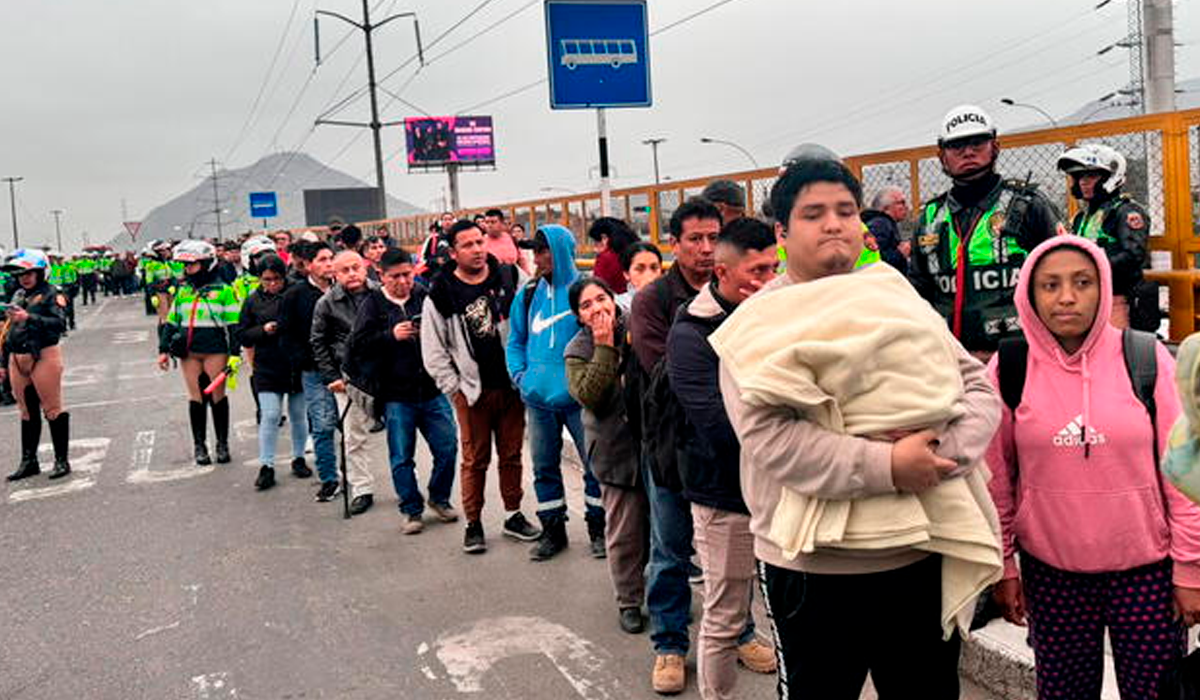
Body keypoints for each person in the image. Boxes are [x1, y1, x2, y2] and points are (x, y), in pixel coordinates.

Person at [716, 156, 1002, 699]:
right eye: (814, 213)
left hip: (919, 550)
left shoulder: (894, 295)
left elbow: (978, 388)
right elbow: (773, 440)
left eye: (846, 211)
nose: (833, 224)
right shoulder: (755, 326)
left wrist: (939, 455)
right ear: (781, 232)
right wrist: (889, 466)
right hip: (813, 570)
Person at [986, 235, 1200, 698]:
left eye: (1082, 282)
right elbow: (995, 479)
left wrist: (1189, 568)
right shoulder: (1011, 366)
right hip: (1051, 574)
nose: (1066, 297)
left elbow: (1183, 475)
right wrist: (1004, 563)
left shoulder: (1146, 358)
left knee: (1157, 693)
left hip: (1147, 575)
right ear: (1029, 293)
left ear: (1103, 288)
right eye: (1050, 285)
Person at [667, 218, 780, 699]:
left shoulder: (781, 313)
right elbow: (720, 427)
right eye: (755, 272)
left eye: (774, 268)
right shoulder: (691, 333)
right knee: (726, 614)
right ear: (724, 270)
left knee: (793, 615)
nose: (766, 282)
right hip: (725, 495)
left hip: (781, 490)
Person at [628, 197, 721, 695]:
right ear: (675, 244)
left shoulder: (738, 289)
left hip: (724, 443)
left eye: (713, 238)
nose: (706, 250)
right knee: (669, 548)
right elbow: (673, 375)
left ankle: (739, 632)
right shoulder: (653, 301)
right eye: (695, 240)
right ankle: (669, 644)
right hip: (669, 443)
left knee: (730, 549)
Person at [422, 219, 540, 554]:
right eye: (467, 245)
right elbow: (434, 350)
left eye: (479, 241)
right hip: (472, 393)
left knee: (512, 454)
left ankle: (513, 514)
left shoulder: (510, 276)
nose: (477, 250)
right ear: (453, 251)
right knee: (475, 459)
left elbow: (534, 312)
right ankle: (473, 523)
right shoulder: (441, 293)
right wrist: (455, 388)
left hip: (512, 387)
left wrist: (527, 371)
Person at [909, 104, 1061, 357]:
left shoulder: (1029, 204)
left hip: (1020, 353)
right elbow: (918, 288)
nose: (968, 152)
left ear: (995, 147)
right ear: (942, 156)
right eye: (957, 145)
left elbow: (1061, 274)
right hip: (949, 355)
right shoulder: (929, 216)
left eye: (977, 143)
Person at [507, 226, 606, 561]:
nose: (538, 257)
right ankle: (553, 531)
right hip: (537, 401)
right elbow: (515, 339)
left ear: (561, 251)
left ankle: (599, 528)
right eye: (535, 251)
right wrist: (520, 376)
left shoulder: (584, 290)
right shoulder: (529, 292)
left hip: (580, 399)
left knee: (595, 466)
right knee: (544, 467)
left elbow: (603, 335)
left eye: (544, 250)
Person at [348, 248, 459, 534]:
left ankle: (439, 497)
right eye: (395, 276)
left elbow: (451, 330)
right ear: (381, 276)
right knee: (401, 457)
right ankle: (411, 510)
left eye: (407, 275)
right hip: (396, 396)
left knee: (447, 448)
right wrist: (390, 336)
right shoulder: (372, 304)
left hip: (433, 390)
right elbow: (357, 347)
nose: (402, 281)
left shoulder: (426, 296)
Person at [565, 277, 650, 633]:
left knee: (664, 531)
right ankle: (629, 600)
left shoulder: (638, 326)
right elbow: (590, 396)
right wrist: (603, 348)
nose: (597, 308)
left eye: (602, 298)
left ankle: (664, 596)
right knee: (625, 533)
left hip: (652, 444)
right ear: (579, 316)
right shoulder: (578, 349)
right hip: (614, 451)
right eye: (587, 305)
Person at [155, 240, 240, 466]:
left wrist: (234, 355)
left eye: (192, 265)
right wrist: (163, 350)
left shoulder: (225, 290)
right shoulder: (184, 290)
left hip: (215, 351)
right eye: (185, 266)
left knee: (217, 396)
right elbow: (172, 322)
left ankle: (222, 444)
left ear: (207, 263)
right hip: (188, 353)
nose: (187, 269)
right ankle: (199, 445)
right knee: (196, 398)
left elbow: (234, 326)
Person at [1057, 144, 1158, 332]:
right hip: (1086, 299)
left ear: (1110, 177)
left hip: (1118, 299)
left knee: (1115, 355)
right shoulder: (1081, 217)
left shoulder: (1126, 212)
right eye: (1079, 177)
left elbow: (1132, 255)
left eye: (1090, 176)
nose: (1083, 182)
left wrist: (1090, 266)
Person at [236, 254, 311, 490]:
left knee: (299, 414)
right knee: (269, 415)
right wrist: (263, 330)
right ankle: (266, 465)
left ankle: (298, 458)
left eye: (276, 279)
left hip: (295, 364)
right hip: (267, 366)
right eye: (266, 279)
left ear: (284, 276)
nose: (271, 284)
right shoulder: (252, 301)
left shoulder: (297, 293)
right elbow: (242, 333)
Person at [311, 250, 377, 514]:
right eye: (344, 270)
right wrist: (332, 377)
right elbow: (318, 342)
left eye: (356, 267)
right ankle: (362, 488)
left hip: (385, 374)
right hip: (348, 378)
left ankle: (407, 483)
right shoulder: (326, 303)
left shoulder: (379, 294)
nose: (352, 274)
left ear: (365, 268)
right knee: (353, 436)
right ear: (334, 275)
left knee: (400, 431)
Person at [278, 240, 341, 503]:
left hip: (350, 369)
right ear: (308, 265)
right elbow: (286, 333)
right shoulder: (295, 295)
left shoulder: (347, 288)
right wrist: (302, 360)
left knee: (354, 427)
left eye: (331, 258)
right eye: (322, 259)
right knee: (323, 425)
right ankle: (329, 478)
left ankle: (360, 482)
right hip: (315, 371)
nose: (328, 264)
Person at [2, 249, 72, 481]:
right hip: (16, 357)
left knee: (52, 409)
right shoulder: (17, 295)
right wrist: (3, 362)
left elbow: (59, 324)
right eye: (20, 273)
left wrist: (29, 318)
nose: (24, 277)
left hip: (43, 355)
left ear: (41, 272)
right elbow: (7, 331)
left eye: (29, 272)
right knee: (25, 412)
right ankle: (29, 461)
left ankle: (61, 460)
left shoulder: (52, 293)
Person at [861, 185, 910, 272]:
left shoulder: (884, 223)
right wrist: (900, 253)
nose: (906, 206)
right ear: (886, 208)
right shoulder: (881, 224)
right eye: (901, 203)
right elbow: (872, 259)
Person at [588, 217, 639, 294]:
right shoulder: (637, 251)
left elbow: (597, 290)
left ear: (604, 238)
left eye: (594, 242)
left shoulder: (605, 259)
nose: (594, 249)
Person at [615, 242, 663, 311]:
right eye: (640, 269)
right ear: (626, 274)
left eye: (654, 268)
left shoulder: (673, 302)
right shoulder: (618, 306)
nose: (649, 276)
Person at [483, 208, 531, 274]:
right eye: (487, 222)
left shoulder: (511, 239)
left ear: (502, 223)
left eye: (493, 222)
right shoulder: (480, 242)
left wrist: (528, 277)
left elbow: (522, 261)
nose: (489, 225)